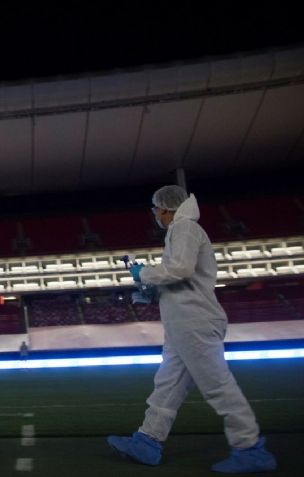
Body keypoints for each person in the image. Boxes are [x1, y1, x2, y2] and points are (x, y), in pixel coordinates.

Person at [107, 186, 276, 473]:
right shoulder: (183, 230)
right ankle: (147, 441)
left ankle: (249, 448)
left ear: (164, 209)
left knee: (218, 386)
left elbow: (181, 269)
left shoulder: (184, 228)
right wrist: (152, 292)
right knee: (168, 385)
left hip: (193, 322)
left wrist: (143, 273)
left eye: (155, 208)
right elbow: (183, 279)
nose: (154, 214)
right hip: (183, 321)